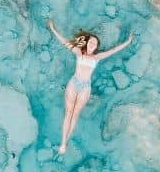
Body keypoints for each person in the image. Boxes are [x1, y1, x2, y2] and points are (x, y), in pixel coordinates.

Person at [47, 19, 133, 154]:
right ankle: (63, 142)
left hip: (85, 87)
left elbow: (114, 50)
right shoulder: (78, 52)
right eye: (91, 41)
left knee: (75, 114)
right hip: (74, 83)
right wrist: (53, 29)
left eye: (95, 42)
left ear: (96, 46)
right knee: (68, 112)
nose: (92, 43)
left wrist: (127, 42)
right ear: (86, 43)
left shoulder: (97, 57)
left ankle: (65, 143)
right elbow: (65, 42)